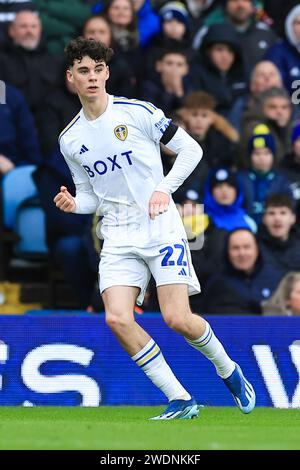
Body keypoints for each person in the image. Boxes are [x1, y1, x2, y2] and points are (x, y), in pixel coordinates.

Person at [54, 37, 255, 419]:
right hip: (116, 232)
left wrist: (163, 190)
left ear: (107, 73)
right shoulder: (70, 139)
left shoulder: (139, 112)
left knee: (177, 318)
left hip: (160, 225)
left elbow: (191, 150)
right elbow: (90, 196)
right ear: (71, 78)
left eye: (98, 70)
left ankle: (228, 370)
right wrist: (73, 204)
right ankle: (180, 397)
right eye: (84, 71)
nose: (92, 77)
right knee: (116, 317)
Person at [202, 228, 284, 314]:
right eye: (235, 248)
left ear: (257, 249)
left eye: (247, 247)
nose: (242, 253)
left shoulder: (277, 280)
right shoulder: (216, 284)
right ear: (227, 252)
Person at [238, 127, 293, 224]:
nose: (262, 158)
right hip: (245, 227)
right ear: (250, 156)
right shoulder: (240, 179)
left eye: (267, 153)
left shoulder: (282, 182)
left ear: (273, 155)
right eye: (257, 153)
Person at [259, 193, 300, 274]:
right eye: (271, 213)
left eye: (283, 213)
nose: (277, 218)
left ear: (293, 218)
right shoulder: (255, 247)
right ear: (264, 219)